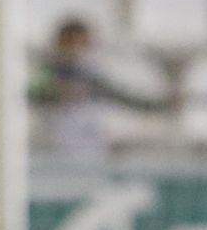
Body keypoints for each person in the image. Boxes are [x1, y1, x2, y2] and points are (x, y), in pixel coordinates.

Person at [28, 18, 169, 161]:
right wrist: (57, 93)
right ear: (58, 45)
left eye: (80, 43)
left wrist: (164, 105)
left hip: (90, 151)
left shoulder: (93, 80)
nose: (74, 50)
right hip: (51, 151)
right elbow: (31, 94)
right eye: (68, 43)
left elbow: (127, 99)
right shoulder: (47, 73)